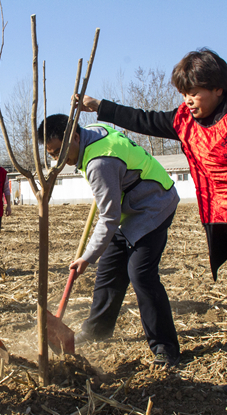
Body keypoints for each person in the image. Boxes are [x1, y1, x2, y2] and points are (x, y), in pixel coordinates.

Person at [78, 48, 227, 406]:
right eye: (183, 93)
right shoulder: (185, 120)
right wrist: (100, 105)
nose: (188, 101)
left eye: (195, 93)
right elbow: (145, 119)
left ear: (219, 89)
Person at [37, 114, 181, 366]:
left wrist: (87, 256)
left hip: (153, 205)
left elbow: (109, 217)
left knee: (141, 274)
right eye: (50, 154)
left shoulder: (99, 163)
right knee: (109, 270)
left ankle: (165, 347)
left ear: (75, 137)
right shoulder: (94, 130)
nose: (57, 160)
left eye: (59, 151)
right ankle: (97, 329)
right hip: (131, 206)